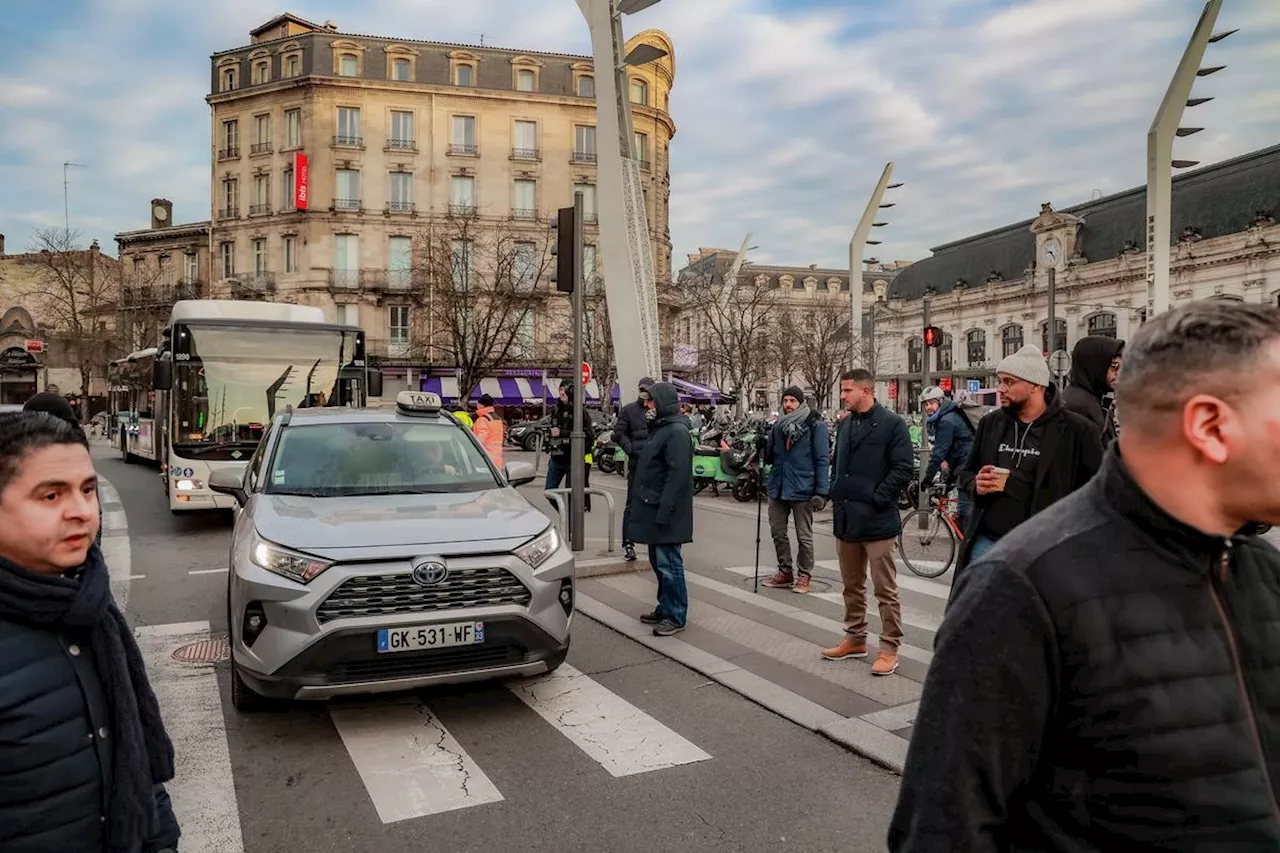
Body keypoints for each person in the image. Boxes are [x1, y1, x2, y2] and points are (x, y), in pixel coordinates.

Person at [889, 299, 1280, 851]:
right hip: (1012, 544)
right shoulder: (1020, 592)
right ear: (1209, 425)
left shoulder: (1265, 574)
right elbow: (945, 828)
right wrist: (978, 485)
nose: (1002, 388)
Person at [0, 412, 181, 853]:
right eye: (51, 496)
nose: (81, 512)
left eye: (87, 490)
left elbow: (133, 758)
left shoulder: (91, 606)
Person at [954, 344, 1103, 578]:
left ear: (1036, 385)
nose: (1000, 388)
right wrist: (976, 484)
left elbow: (1096, 494)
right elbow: (966, 472)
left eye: (1009, 382)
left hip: (1041, 550)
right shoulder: (991, 423)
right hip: (987, 543)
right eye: (1000, 380)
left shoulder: (1077, 430)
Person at [821, 369, 914, 675]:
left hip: (877, 520)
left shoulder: (892, 425)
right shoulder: (845, 425)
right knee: (851, 585)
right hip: (847, 518)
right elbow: (838, 467)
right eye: (842, 390)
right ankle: (855, 637)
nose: (843, 395)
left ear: (866, 390)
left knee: (885, 589)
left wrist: (877, 497)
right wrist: (833, 493)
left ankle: (889, 646)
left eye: (847, 390)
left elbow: (903, 468)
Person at [629, 382, 694, 637]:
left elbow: (677, 476)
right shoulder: (663, 428)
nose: (646, 405)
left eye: (651, 401)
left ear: (662, 403)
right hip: (656, 508)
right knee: (659, 562)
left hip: (667, 511)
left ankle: (676, 615)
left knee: (669, 564)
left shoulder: (675, 431)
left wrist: (664, 508)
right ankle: (666, 607)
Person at [761, 386, 830, 595]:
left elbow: (822, 459)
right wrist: (762, 445)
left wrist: (821, 492)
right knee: (777, 532)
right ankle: (785, 571)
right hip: (779, 486)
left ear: (800, 403)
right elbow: (771, 457)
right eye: (785, 401)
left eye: (792, 400)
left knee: (804, 535)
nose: (788, 405)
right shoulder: (778, 426)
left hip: (803, 487)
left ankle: (804, 574)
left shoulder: (815, 426)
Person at [919, 385, 974, 527]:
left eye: (932, 403)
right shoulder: (949, 416)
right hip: (964, 463)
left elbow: (939, 452)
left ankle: (970, 543)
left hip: (969, 465)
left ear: (941, 402)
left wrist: (928, 478)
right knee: (963, 509)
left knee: (964, 512)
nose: (929, 407)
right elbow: (954, 451)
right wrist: (949, 479)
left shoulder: (946, 421)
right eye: (926, 404)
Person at [614, 377, 655, 562]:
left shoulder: (657, 410)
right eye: (642, 389)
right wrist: (629, 449)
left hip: (654, 464)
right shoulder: (629, 410)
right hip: (637, 462)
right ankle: (629, 543)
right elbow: (619, 433)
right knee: (632, 504)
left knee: (653, 503)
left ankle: (652, 541)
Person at [1062, 334, 1125, 446]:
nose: (1119, 373)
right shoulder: (1075, 406)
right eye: (1114, 366)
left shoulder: (1097, 398)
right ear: (1096, 365)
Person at [545, 383, 593, 512]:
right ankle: (564, 515)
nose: (562, 393)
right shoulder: (555, 410)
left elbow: (589, 436)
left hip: (573, 458)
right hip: (557, 457)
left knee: (572, 495)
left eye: (565, 390)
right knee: (549, 491)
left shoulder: (580, 411)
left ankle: (571, 525)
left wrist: (563, 433)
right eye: (560, 389)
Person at [471, 393, 505, 468]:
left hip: (485, 459)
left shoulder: (482, 420)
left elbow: (480, 441)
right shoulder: (497, 419)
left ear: (481, 405)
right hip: (497, 457)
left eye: (478, 404)